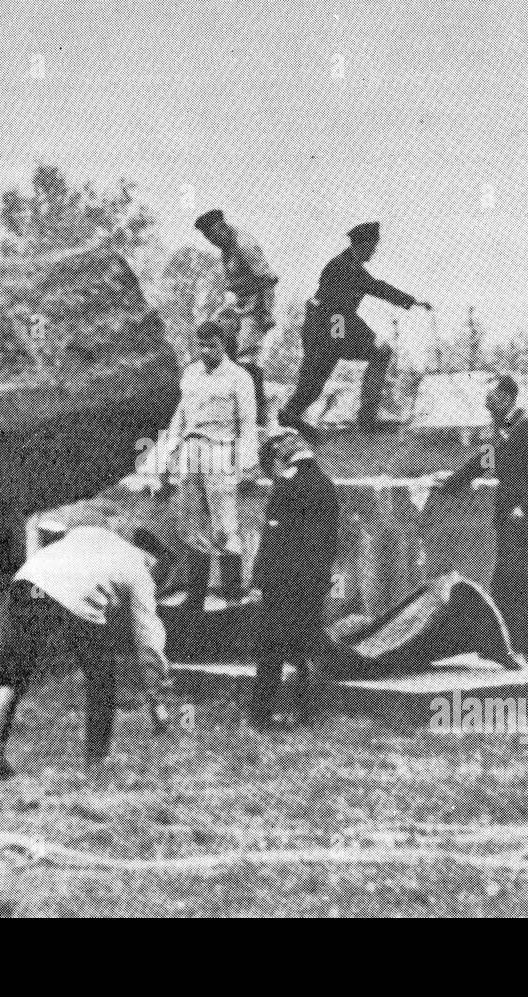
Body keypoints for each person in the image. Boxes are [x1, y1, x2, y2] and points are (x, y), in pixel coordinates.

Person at [0, 525, 179, 780]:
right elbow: (148, 640)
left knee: (15, 672)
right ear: (153, 561)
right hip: (74, 597)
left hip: (30, 584)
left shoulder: (93, 534)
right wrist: (155, 696)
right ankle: (96, 763)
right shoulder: (140, 571)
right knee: (102, 680)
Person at [435, 374, 528, 664]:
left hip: (525, 516)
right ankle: (516, 643)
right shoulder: (502, 430)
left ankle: (524, 646)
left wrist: (523, 507)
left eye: (491, 398)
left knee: (519, 578)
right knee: (513, 577)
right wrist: (450, 482)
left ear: (506, 397)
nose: (487, 403)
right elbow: (483, 462)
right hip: (508, 516)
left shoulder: (526, 428)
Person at [278, 221, 432, 432]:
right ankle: (292, 417)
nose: (374, 251)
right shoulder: (343, 267)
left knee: (318, 381)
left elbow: (376, 287)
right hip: (326, 328)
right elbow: (337, 309)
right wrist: (340, 341)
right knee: (314, 383)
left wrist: (411, 302)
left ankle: (363, 419)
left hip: (331, 326)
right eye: (372, 247)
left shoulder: (350, 265)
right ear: (363, 245)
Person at [247, 426, 342, 730]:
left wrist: (259, 576)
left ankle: (262, 714)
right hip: (314, 579)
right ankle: (306, 711)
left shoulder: (286, 488)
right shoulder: (326, 485)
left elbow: (274, 538)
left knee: (270, 646)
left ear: (279, 460)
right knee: (307, 644)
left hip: (284, 580)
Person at [159, 324, 259, 612]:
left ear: (223, 344)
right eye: (201, 345)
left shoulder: (239, 377)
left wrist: (247, 464)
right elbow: (180, 416)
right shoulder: (190, 374)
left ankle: (231, 598)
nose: (206, 351)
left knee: (225, 526)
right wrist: (166, 455)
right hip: (191, 451)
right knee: (191, 526)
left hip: (221, 450)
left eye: (212, 345)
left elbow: (248, 423)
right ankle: (196, 595)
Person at [194, 210, 278, 422]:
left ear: (223, 227)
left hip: (257, 303)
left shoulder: (244, 244)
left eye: (214, 236)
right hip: (239, 302)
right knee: (217, 339)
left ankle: (256, 417)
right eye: (209, 239)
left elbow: (267, 279)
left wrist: (266, 313)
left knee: (247, 358)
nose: (213, 242)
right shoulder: (226, 247)